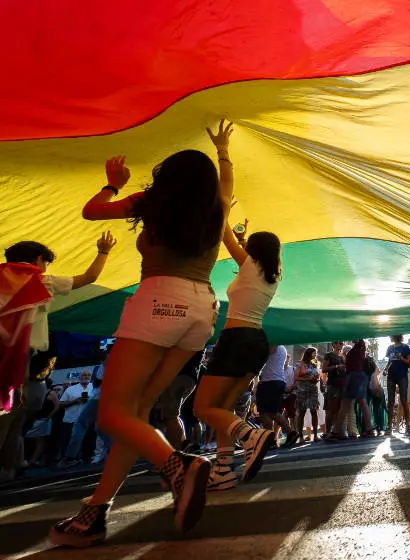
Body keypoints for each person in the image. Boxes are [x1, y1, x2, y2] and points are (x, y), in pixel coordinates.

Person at [49, 120, 234, 547]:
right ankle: (95, 511)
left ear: (166, 177)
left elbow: (91, 211)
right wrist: (223, 151)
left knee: (113, 413)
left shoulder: (153, 202)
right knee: (137, 414)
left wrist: (113, 184)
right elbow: (226, 180)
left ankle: (178, 466)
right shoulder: (218, 207)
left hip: (157, 302)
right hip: (202, 309)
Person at [1, 233, 116, 480]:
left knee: (11, 419)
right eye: (45, 263)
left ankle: (9, 469)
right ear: (38, 260)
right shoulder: (40, 281)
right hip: (21, 358)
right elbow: (89, 278)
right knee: (11, 417)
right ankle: (7, 471)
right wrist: (103, 251)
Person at [192, 215, 282, 492]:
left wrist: (222, 209)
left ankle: (250, 435)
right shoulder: (271, 273)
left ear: (253, 251)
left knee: (202, 407)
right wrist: (245, 241)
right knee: (225, 411)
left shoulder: (248, 265)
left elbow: (224, 235)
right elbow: (241, 251)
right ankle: (223, 470)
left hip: (236, 339)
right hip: (256, 342)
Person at [329, 340, 374, 439]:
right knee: (348, 404)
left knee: (357, 403)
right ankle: (335, 432)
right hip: (354, 377)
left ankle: (335, 432)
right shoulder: (357, 348)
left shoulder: (360, 345)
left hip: (356, 376)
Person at [160, 352, 205, 451]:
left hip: (178, 374)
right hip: (191, 376)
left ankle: (180, 452)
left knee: (170, 416)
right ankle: (186, 445)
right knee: (174, 415)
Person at [256, 346, 299, 446]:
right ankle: (288, 433)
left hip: (269, 381)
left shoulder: (274, 344)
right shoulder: (282, 348)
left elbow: (270, 351)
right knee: (272, 412)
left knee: (264, 412)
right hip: (276, 381)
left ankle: (271, 440)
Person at [385, 335, 410, 435]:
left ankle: (407, 425)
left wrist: (401, 358)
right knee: (390, 401)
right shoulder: (390, 348)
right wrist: (385, 369)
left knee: (403, 400)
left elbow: (409, 362)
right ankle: (389, 426)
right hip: (391, 376)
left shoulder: (405, 347)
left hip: (402, 376)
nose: (390, 337)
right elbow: (389, 361)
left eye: (392, 335)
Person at [292, 348, 322, 442]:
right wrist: (308, 379)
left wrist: (316, 379)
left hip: (313, 389)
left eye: (316, 353)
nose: (315, 355)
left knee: (314, 411)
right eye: (314, 353)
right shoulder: (300, 364)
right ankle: (300, 436)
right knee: (302, 412)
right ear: (309, 354)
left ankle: (316, 435)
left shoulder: (314, 364)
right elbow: (296, 377)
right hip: (302, 390)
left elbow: (317, 376)